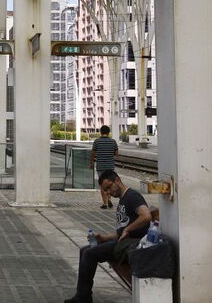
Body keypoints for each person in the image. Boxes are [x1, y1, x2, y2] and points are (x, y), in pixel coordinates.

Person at [64, 170, 152, 303]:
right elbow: (120, 232)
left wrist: (128, 229)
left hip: (132, 245)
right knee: (84, 250)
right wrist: (104, 238)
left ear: (117, 180)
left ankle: (83, 298)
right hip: (123, 242)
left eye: (109, 187)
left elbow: (146, 216)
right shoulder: (123, 199)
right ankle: (82, 295)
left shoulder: (132, 196)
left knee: (90, 254)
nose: (108, 192)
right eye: (105, 190)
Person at [89, 125, 119, 209]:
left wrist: (91, 163)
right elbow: (117, 154)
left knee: (103, 185)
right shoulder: (113, 142)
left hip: (101, 166)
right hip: (110, 166)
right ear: (108, 132)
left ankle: (105, 203)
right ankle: (109, 199)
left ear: (101, 132)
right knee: (110, 183)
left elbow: (93, 153)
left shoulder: (97, 141)